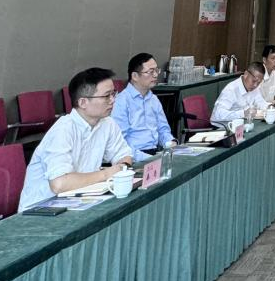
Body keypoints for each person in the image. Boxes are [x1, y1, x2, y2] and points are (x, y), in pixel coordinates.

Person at [18, 68, 134, 211]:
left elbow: (124, 155)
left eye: (113, 93)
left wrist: (121, 168)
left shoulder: (107, 123)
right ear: (83, 102)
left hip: (80, 201)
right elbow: (59, 184)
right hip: (41, 210)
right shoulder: (63, 130)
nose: (113, 100)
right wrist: (106, 174)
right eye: (106, 96)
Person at [111, 53, 176, 161]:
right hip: (133, 157)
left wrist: (171, 143)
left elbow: (163, 129)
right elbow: (120, 143)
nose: (155, 75)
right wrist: (149, 159)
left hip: (155, 153)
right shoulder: (121, 102)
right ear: (135, 76)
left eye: (156, 70)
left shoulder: (153, 99)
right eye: (150, 72)